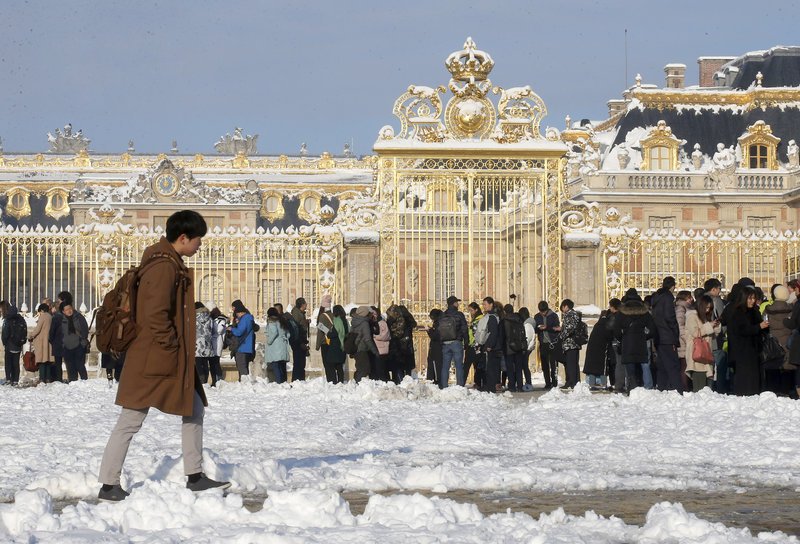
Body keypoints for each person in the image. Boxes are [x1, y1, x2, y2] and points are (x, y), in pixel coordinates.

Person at [98, 210, 229, 502]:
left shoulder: (168, 262)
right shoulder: (163, 268)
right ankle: (108, 484)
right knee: (131, 419)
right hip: (155, 358)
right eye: (197, 240)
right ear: (183, 238)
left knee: (194, 408)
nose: (199, 246)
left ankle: (194, 475)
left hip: (164, 356)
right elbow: (155, 315)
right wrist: (171, 344)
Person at [728, 285, 769, 396]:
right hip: (742, 350)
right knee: (745, 376)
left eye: (754, 298)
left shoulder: (754, 311)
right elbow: (741, 330)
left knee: (755, 375)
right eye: (750, 298)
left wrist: (764, 327)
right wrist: (758, 327)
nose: (752, 301)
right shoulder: (738, 313)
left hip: (754, 348)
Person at [614, 288, 657, 392]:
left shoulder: (622, 312)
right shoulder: (644, 311)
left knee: (630, 367)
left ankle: (632, 387)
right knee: (644, 365)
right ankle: (647, 387)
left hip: (627, 342)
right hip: (641, 342)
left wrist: (622, 338)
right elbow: (653, 330)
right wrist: (645, 337)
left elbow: (616, 330)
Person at [650, 276, 683, 393]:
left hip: (659, 336)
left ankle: (662, 389)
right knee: (673, 366)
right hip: (668, 336)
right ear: (672, 286)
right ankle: (678, 390)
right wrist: (675, 333)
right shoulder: (668, 297)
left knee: (662, 366)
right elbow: (670, 317)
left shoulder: (656, 298)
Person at [683, 295, 719, 392]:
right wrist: (709, 326)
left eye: (710, 308)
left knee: (707, 389)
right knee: (699, 388)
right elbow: (695, 333)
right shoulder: (692, 316)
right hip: (697, 355)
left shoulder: (705, 317)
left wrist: (715, 326)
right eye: (706, 307)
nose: (708, 310)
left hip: (706, 356)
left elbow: (710, 335)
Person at [763, 285, 793, 396]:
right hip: (787, 342)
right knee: (786, 368)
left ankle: (772, 392)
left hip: (772, 344)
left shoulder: (768, 310)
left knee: (772, 367)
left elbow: (764, 325)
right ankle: (785, 391)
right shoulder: (791, 309)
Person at [704, 278, 729, 394]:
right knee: (720, 365)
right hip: (715, 337)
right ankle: (720, 389)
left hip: (703, 336)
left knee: (707, 366)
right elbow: (722, 318)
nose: (719, 291)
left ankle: (707, 388)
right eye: (719, 289)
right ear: (713, 289)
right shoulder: (716, 300)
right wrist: (723, 331)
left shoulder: (700, 299)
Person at [583, 302, 615, 391]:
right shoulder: (607, 324)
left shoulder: (597, 324)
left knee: (592, 366)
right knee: (603, 366)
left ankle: (592, 384)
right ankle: (603, 384)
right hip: (602, 349)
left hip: (592, 348)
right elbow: (609, 336)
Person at [439, 296, 469, 388]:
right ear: (454, 303)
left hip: (445, 343)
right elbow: (464, 329)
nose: (458, 304)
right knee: (459, 365)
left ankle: (444, 386)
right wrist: (466, 341)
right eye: (457, 302)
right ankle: (459, 386)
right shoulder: (459, 314)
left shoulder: (443, 315)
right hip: (456, 342)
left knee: (445, 366)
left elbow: (439, 329)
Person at [554, 299, 581, 389]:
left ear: (566, 306)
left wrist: (561, 335)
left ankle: (572, 382)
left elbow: (569, 328)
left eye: (562, 307)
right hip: (574, 343)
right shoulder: (574, 314)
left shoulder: (570, 314)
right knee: (573, 364)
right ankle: (575, 382)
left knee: (571, 364)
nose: (562, 310)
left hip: (570, 343)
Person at [59, 301, 89, 382]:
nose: (69, 311)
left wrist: (83, 342)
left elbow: (85, 330)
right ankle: (72, 381)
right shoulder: (60, 320)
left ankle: (84, 381)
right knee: (70, 366)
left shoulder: (79, 317)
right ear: (63, 311)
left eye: (70, 308)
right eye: (66, 310)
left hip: (79, 345)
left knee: (80, 365)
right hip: (66, 347)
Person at [478, 297, 503, 393]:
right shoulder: (494, 316)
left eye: (485, 304)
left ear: (491, 304)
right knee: (493, 367)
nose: (483, 306)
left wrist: (489, 345)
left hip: (493, 347)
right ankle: (491, 386)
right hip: (495, 346)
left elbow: (493, 332)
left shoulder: (492, 317)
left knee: (491, 368)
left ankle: (491, 387)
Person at [534, 301, 560, 389]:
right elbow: (535, 329)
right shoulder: (537, 316)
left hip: (552, 342)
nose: (542, 313)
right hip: (543, 343)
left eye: (544, 312)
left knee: (553, 364)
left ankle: (554, 382)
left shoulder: (553, 316)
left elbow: (557, 328)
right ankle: (547, 383)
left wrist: (547, 328)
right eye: (541, 312)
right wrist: (538, 328)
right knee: (544, 364)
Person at [387, 304, 416, 381]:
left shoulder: (400, 321)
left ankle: (400, 382)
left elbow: (397, 334)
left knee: (398, 366)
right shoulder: (408, 320)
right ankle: (406, 381)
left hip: (399, 347)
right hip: (407, 346)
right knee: (407, 367)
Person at [228, 299, 255, 382]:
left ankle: (245, 385)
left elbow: (239, 332)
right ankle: (244, 384)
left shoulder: (245, 318)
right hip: (246, 346)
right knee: (244, 367)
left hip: (242, 346)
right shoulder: (248, 318)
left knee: (242, 368)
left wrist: (231, 329)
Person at [501, 304, 526, 392]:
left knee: (510, 368)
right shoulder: (519, 319)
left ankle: (511, 386)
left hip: (508, 347)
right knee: (519, 368)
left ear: (504, 311)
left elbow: (503, 335)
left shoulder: (504, 321)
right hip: (518, 346)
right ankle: (520, 386)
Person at [0, 301, 26, 386]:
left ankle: (8, 379)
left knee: (8, 363)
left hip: (9, 345)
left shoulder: (8, 320)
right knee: (16, 363)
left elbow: (5, 333)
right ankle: (15, 380)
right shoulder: (21, 319)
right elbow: (24, 332)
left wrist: (4, 342)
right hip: (18, 345)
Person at [315, 294, 339, 383]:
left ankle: (331, 381)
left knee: (327, 363)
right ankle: (334, 380)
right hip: (333, 341)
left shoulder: (322, 316)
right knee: (332, 363)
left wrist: (317, 345)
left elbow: (320, 331)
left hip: (325, 342)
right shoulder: (333, 315)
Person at [351, 305, 378, 382]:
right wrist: (375, 351)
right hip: (362, 348)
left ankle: (356, 383)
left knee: (360, 368)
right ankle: (358, 384)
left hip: (356, 348)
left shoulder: (355, 321)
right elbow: (367, 339)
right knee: (365, 369)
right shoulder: (364, 323)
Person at [29, 303, 55, 383]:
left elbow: (37, 329)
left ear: (42, 310)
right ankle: (47, 378)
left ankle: (42, 378)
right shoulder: (50, 317)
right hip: (48, 342)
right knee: (47, 361)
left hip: (42, 342)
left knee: (42, 361)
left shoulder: (43, 316)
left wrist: (30, 335)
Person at [264, 307, 290, 383]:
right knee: (281, 366)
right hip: (282, 346)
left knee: (275, 365)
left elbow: (274, 332)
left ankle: (279, 383)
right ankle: (283, 382)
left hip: (275, 347)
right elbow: (288, 334)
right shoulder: (282, 321)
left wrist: (269, 341)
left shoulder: (272, 322)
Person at [465, 302, 486, 390]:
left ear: (476, 310)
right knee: (477, 365)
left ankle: (477, 383)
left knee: (471, 365)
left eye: (471, 310)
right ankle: (478, 382)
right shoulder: (477, 319)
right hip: (475, 345)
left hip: (475, 345)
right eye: (469, 311)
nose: (470, 312)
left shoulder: (479, 319)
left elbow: (476, 333)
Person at [326, 304, 349, 383]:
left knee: (331, 364)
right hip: (343, 345)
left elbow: (334, 333)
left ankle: (334, 382)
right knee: (339, 366)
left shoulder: (337, 320)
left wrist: (327, 332)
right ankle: (340, 381)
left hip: (335, 345)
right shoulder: (345, 320)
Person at [290, 297, 310, 381]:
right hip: (298, 341)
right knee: (298, 362)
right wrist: (300, 342)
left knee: (301, 362)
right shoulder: (296, 313)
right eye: (305, 303)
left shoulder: (300, 313)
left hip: (301, 340)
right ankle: (297, 379)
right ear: (302, 304)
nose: (306, 304)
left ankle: (300, 379)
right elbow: (296, 327)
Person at [194, 302, 214, 385]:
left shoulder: (194, 317)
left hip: (197, 344)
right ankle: (205, 379)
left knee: (198, 363)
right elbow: (212, 328)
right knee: (205, 363)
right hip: (207, 344)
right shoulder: (209, 317)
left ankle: (200, 379)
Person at [208, 307, 227, 387]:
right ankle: (214, 381)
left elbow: (219, 330)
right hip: (212, 344)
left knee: (216, 363)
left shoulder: (221, 320)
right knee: (212, 364)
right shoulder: (214, 320)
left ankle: (219, 380)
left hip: (218, 344)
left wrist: (212, 327)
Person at [518, 307, 536, 391]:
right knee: (524, 365)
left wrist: (524, 348)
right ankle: (528, 382)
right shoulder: (530, 322)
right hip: (529, 347)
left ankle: (528, 382)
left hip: (527, 348)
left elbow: (527, 337)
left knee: (524, 365)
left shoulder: (527, 324)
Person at [372, 308, 391, 381]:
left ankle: (384, 382)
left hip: (382, 349)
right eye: (372, 314)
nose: (373, 316)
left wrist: (375, 336)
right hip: (376, 348)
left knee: (381, 369)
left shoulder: (382, 323)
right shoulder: (373, 323)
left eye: (375, 314)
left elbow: (385, 335)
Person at [426, 308, 443, 384]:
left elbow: (435, 336)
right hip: (440, 346)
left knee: (436, 364)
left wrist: (429, 330)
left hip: (436, 347)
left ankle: (437, 380)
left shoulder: (438, 323)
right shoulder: (442, 321)